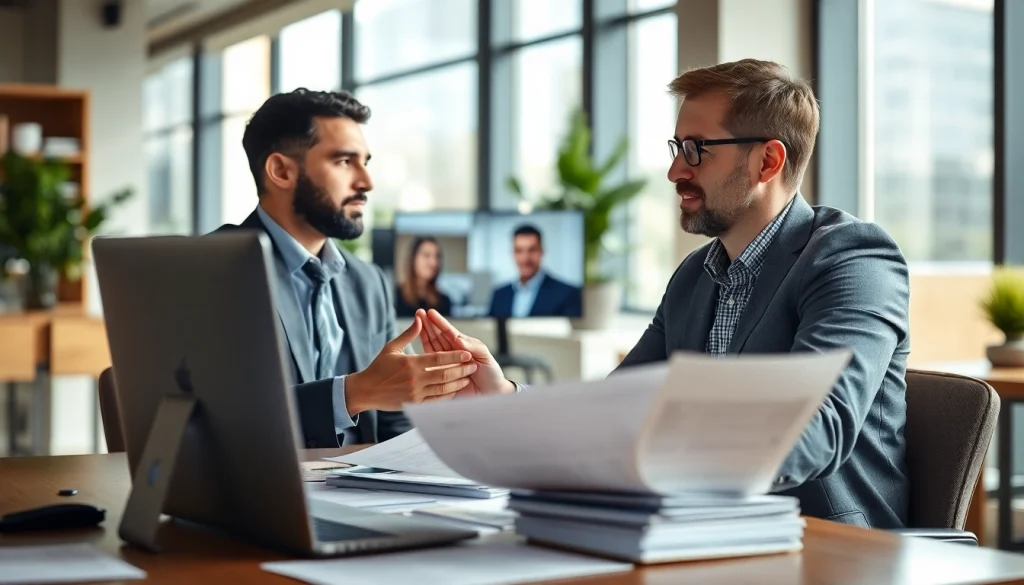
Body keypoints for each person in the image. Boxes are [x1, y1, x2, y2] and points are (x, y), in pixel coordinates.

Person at [417, 58, 911, 530]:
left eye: (696, 150)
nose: (676, 172)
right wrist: (503, 397)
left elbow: (818, 429)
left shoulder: (853, 260)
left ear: (768, 160)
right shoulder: (694, 275)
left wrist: (657, 447)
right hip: (696, 533)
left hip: (825, 545)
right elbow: (611, 407)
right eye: (676, 149)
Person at [215, 88, 512, 449]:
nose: (366, 182)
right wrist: (352, 394)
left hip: (362, 497)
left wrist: (444, 403)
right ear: (281, 171)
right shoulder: (212, 268)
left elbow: (394, 427)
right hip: (262, 493)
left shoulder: (368, 281)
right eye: (343, 161)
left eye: (365, 162)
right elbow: (217, 420)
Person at [488, 224, 582, 318]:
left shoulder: (567, 294)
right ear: (513, 254)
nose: (525, 258)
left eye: (532, 250)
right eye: (519, 251)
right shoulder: (499, 295)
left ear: (542, 251)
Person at [395, 236, 452, 317]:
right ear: (413, 259)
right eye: (426, 255)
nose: (434, 262)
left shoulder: (444, 301)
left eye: (437, 257)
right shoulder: (395, 296)